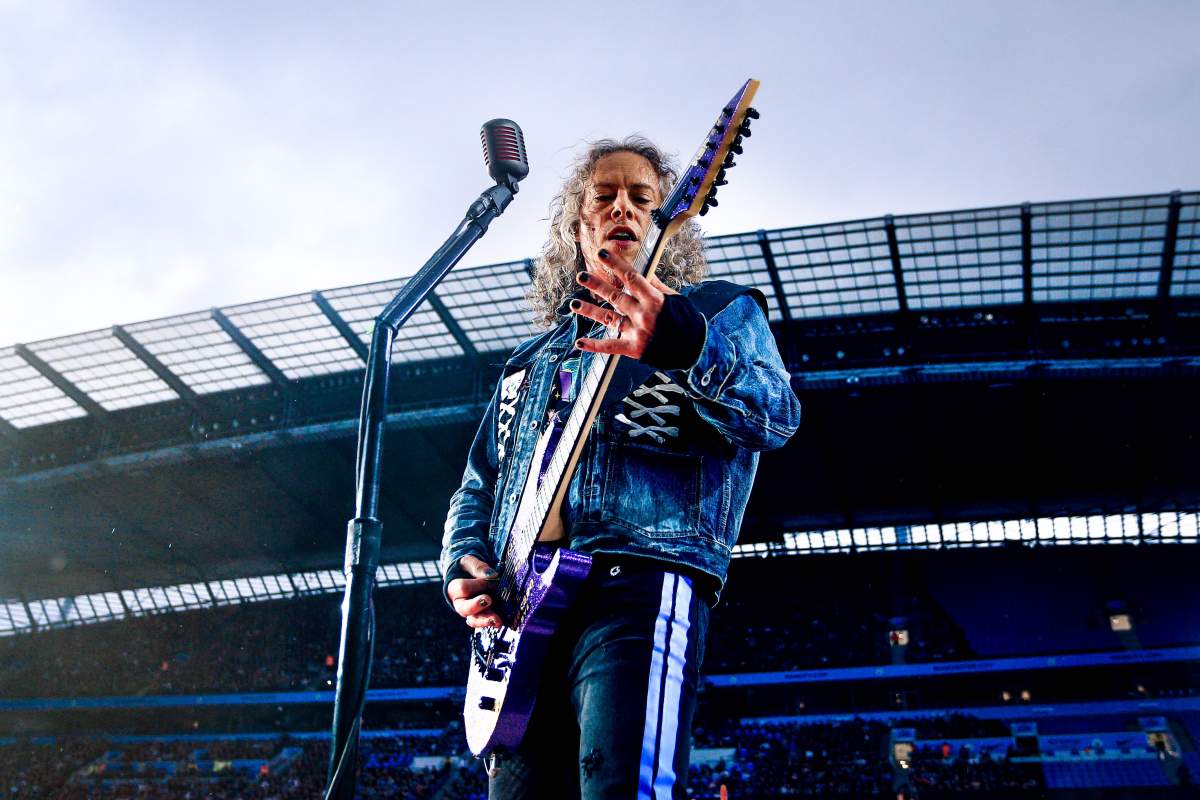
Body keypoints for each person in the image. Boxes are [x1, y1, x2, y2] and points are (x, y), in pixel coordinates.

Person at [440, 136, 800, 799]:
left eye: (642, 197)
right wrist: (464, 562)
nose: (622, 209)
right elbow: (479, 482)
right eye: (603, 196)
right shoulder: (531, 359)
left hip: (635, 588)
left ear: (669, 222)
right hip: (518, 615)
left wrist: (688, 342)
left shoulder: (719, 312)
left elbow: (775, 415)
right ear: (577, 226)